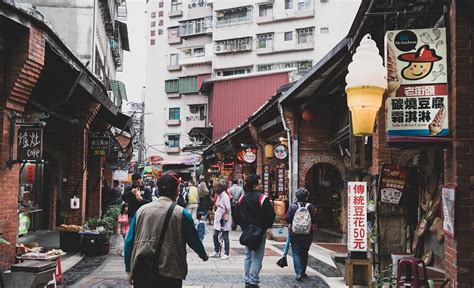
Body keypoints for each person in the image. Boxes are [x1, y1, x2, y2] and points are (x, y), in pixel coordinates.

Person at [124, 172, 209, 287]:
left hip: (142, 270)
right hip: (170, 270)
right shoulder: (181, 213)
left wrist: (129, 269)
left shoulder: (141, 211)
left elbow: (129, 241)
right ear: (177, 191)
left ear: (158, 190)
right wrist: (203, 254)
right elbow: (193, 239)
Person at [237, 174, 275, 288]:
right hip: (259, 231)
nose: (261, 185)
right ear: (254, 186)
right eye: (259, 183)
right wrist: (265, 227)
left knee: (248, 256)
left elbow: (237, 214)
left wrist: (244, 226)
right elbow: (270, 215)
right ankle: (253, 281)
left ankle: (247, 279)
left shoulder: (242, 198)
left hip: (247, 231)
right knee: (257, 257)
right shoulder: (262, 198)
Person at [285, 188, 317, 281]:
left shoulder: (293, 206)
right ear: (307, 197)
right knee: (305, 252)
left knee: (296, 252)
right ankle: (303, 271)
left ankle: (298, 273)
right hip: (308, 233)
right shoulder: (311, 207)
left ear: (296, 197)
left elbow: (287, 218)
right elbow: (315, 220)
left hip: (295, 232)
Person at [209, 180, 232, 260]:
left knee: (225, 236)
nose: (214, 189)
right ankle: (216, 250)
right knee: (215, 235)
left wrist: (220, 206)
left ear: (220, 188)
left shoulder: (225, 196)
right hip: (218, 219)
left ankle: (226, 253)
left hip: (224, 219)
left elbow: (228, 208)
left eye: (215, 187)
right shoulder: (219, 196)